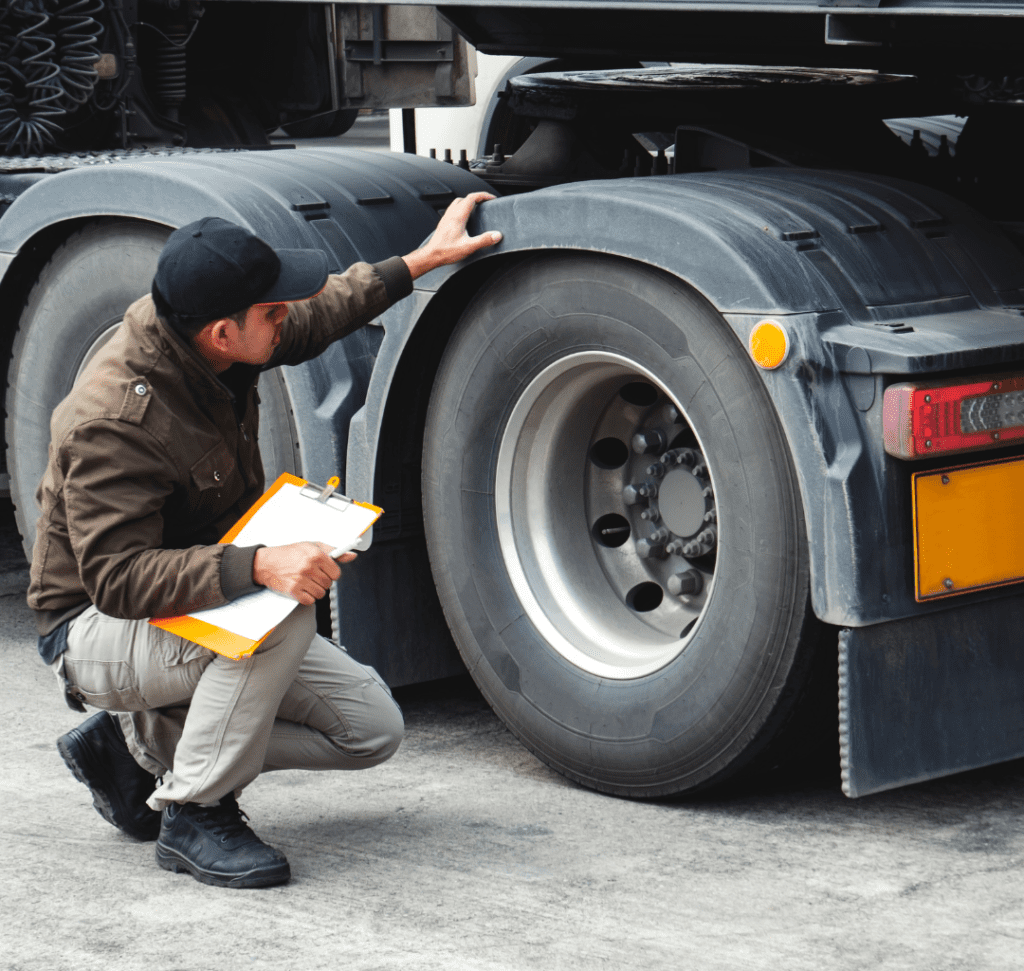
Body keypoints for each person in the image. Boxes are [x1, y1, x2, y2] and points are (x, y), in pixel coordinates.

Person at [30, 193, 501, 889]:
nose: (285, 320)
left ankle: (141, 746)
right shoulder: (118, 421)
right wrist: (261, 564)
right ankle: (195, 812)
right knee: (281, 614)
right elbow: (117, 578)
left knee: (370, 728)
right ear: (223, 332)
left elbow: (315, 314)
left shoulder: (211, 340)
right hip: (94, 627)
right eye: (271, 313)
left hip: (187, 597)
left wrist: (419, 261)